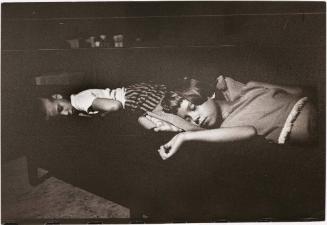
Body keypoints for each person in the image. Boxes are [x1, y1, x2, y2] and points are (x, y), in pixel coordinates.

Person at [154, 76, 317, 160]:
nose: (195, 118)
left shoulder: (251, 87)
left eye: (193, 108)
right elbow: (249, 131)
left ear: (207, 94)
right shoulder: (227, 129)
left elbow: (301, 91)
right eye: (188, 118)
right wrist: (184, 135)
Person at [37, 82, 168, 120]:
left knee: (167, 114)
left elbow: (114, 106)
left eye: (60, 108)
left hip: (133, 99)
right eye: (59, 114)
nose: (65, 114)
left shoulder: (79, 101)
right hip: (132, 92)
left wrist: (104, 114)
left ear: (58, 97)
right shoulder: (78, 100)